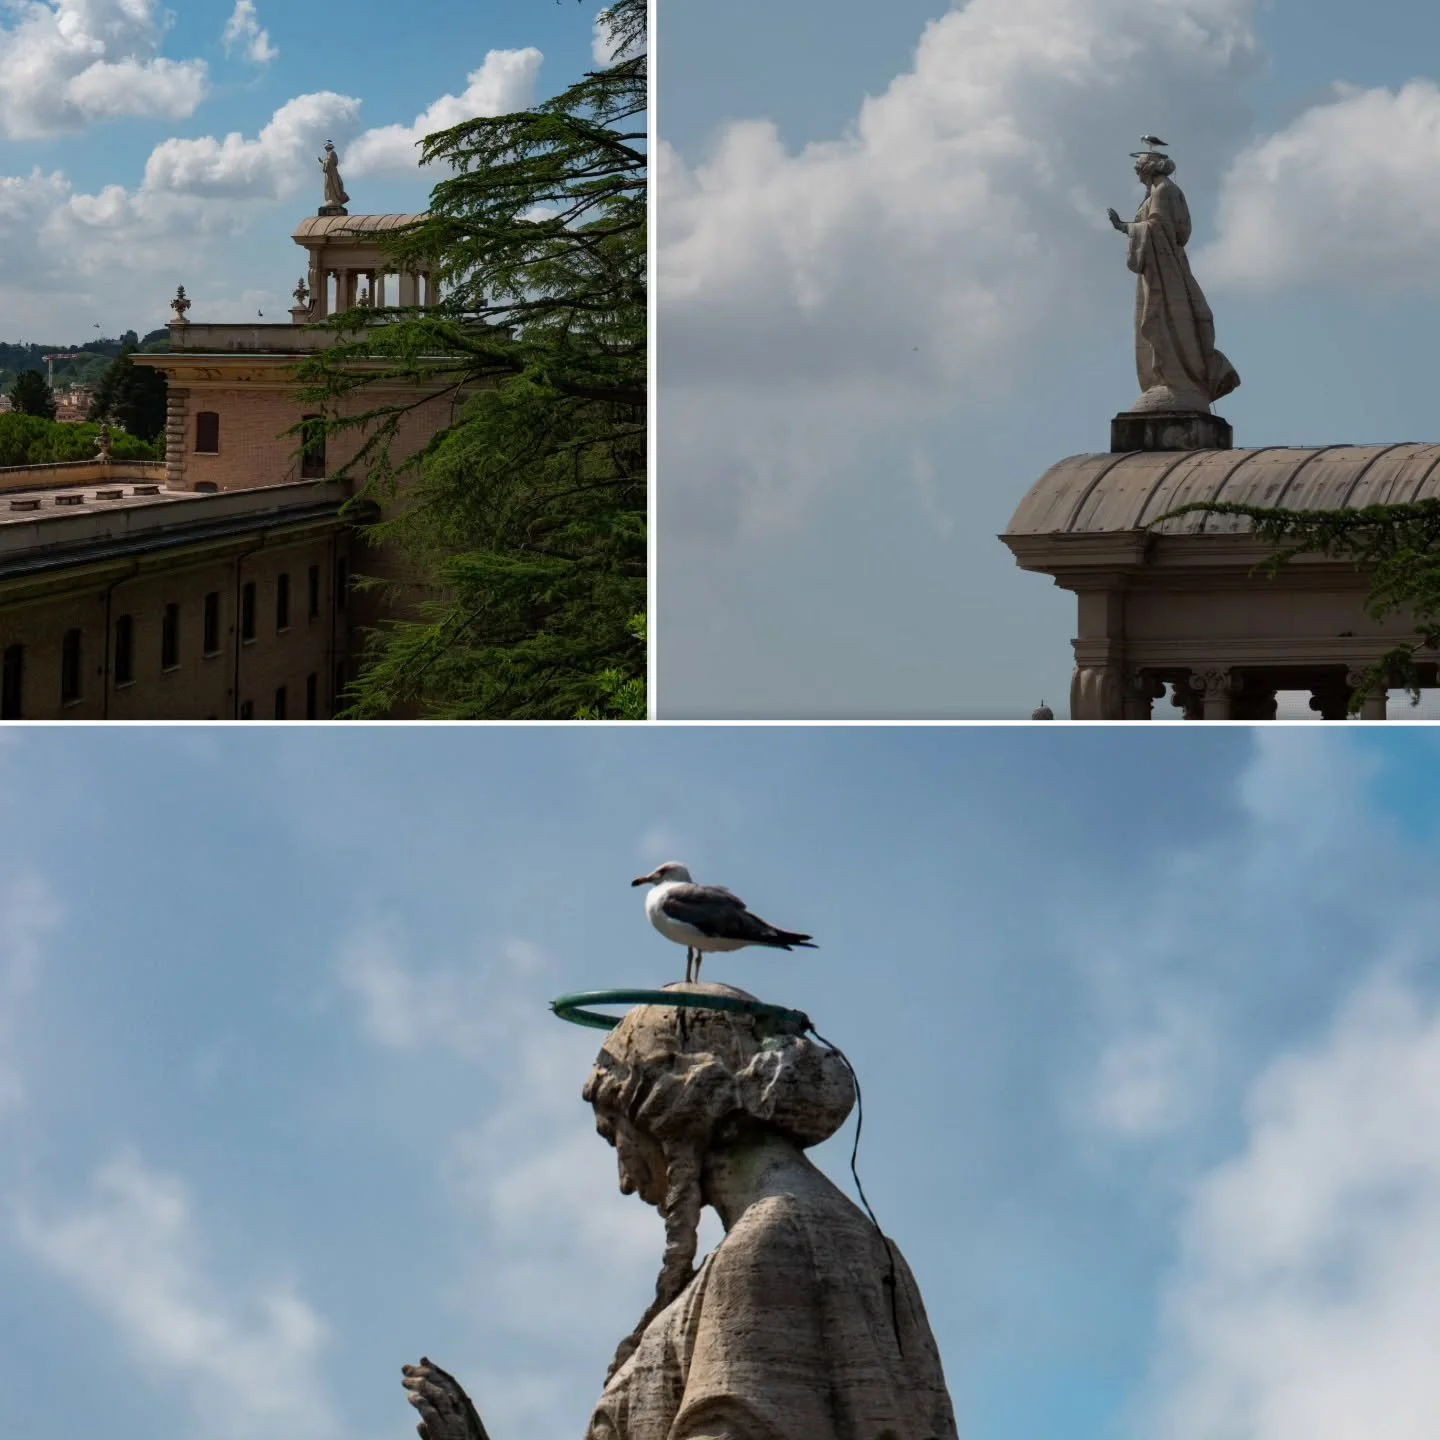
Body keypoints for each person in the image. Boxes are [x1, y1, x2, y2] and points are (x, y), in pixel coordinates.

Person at [403, 984, 959, 1440]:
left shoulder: (770, 1241)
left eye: (613, 1136)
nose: (625, 1179)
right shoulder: (839, 1236)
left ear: (667, 1113)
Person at [1107, 151, 1239, 412]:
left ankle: (1176, 379)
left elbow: (1159, 229)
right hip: (1159, 265)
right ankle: (1166, 379)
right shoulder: (1157, 190)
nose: (1135, 172)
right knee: (1163, 321)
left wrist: (1124, 226)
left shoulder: (1163, 191)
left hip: (1165, 267)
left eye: (1138, 167)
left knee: (1163, 320)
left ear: (1148, 168)